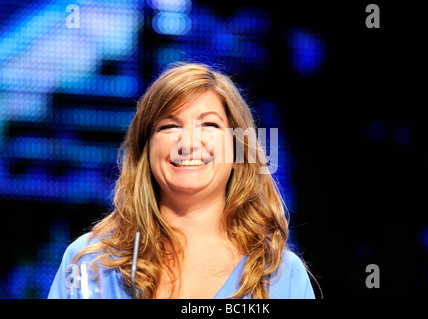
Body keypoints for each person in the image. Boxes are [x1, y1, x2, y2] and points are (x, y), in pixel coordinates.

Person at [48, 62, 315, 299]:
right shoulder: (88, 262)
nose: (187, 143)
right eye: (169, 126)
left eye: (209, 125)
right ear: (145, 151)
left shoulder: (282, 276)